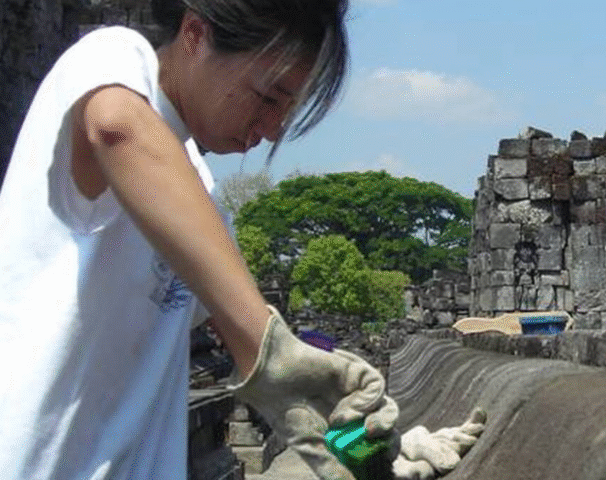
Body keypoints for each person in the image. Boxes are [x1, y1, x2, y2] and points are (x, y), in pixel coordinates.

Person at [0, 0, 482, 478]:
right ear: (195, 35)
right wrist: (265, 348)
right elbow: (116, 127)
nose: (272, 130)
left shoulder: (202, 199)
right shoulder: (108, 59)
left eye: (288, 112)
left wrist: (371, 448)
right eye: (269, 98)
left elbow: (285, 378)